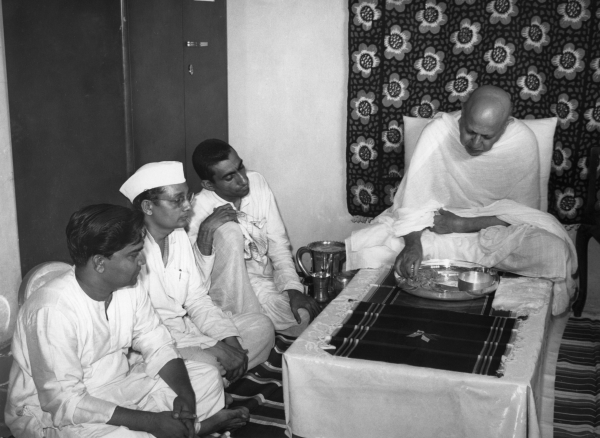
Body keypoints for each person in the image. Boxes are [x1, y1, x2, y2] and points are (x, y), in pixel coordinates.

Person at [5, 204, 249, 438]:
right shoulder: (52, 310)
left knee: (206, 376)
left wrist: (185, 396)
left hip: (119, 386)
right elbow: (63, 402)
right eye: (133, 254)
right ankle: (193, 428)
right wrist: (152, 421)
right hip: (53, 412)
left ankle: (178, 428)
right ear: (100, 263)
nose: (142, 261)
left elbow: (159, 344)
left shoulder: (129, 286)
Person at [346, 85, 577, 315]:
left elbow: (524, 216)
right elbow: (412, 205)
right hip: (435, 232)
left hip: (493, 235)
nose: (475, 143)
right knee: (372, 245)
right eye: (469, 131)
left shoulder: (521, 141)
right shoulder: (438, 132)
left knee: (552, 250)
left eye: (486, 137)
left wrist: (462, 224)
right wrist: (413, 245)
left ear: (506, 125)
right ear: (463, 109)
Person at [120, 161, 274, 384]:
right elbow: (140, 330)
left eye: (187, 197)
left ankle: (212, 384)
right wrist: (212, 346)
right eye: (177, 200)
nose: (187, 206)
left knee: (262, 326)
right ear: (148, 207)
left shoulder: (178, 236)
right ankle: (212, 382)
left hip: (187, 330)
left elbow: (197, 299)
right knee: (208, 362)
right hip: (154, 343)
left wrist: (228, 339)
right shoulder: (129, 251)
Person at [187, 139, 321, 336]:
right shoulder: (196, 210)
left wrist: (293, 289)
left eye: (240, 167)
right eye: (229, 177)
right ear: (209, 184)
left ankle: (259, 324)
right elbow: (195, 279)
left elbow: (278, 244)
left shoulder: (257, 182)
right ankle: (249, 324)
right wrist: (206, 230)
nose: (243, 180)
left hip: (263, 283)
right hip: (226, 294)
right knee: (229, 230)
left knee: (303, 316)